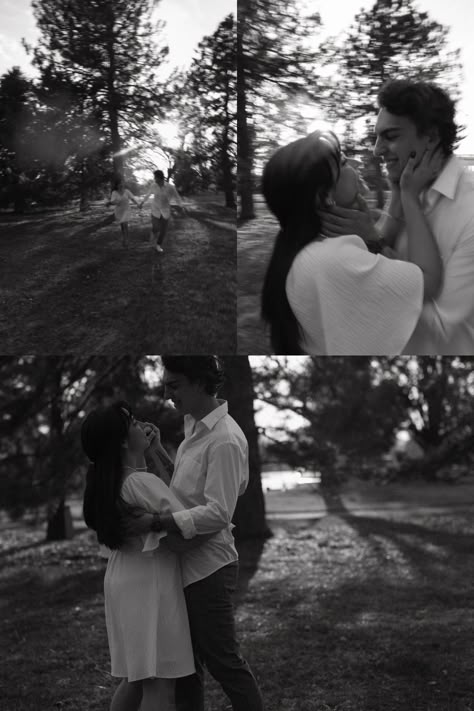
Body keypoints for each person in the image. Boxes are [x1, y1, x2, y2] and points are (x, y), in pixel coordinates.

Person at [122, 356, 265, 711]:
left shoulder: (225, 439)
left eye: (174, 385)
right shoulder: (194, 427)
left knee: (224, 663)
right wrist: (156, 452)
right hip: (182, 563)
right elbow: (182, 496)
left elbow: (217, 512)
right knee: (186, 669)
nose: (167, 393)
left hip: (209, 568)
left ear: (201, 382)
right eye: (165, 384)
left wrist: (155, 523)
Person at [319, 79, 474, 355]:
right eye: (377, 137)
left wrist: (370, 249)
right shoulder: (408, 184)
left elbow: (438, 325)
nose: (377, 150)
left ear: (432, 137)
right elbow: (383, 238)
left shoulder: (468, 211)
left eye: (390, 137)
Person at [261, 129, 443, 355]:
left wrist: (396, 191)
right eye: (343, 163)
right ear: (324, 196)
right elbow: (429, 283)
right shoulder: (333, 260)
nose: (355, 166)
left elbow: (375, 247)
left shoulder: (308, 248)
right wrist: (410, 197)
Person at [81, 401, 196, 711]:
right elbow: (188, 526)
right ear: (121, 440)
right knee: (160, 684)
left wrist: (154, 452)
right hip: (150, 585)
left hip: (123, 580)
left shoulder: (112, 484)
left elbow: (168, 502)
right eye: (132, 422)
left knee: (137, 678)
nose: (141, 424)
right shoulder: (140, 482)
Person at [140, 170, 186, 254]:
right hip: (155, 210)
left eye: (155, 177)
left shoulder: (170, 187)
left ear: (159, 177)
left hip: (165, 211)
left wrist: (181, 207)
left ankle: (158, 245)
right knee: (156, 228)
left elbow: (177, 197)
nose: (154, 179)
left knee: (163, 230)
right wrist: (142, 202)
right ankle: (152, 238)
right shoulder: (153, 185)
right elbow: (148, 194)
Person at [106, 178, 141, 247]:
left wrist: (137, 204)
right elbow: (113, 201)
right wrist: (109, 203)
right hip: (119, 211)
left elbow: (132, 199)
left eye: (122, 183)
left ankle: (126, 240)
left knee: (125, 224)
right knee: (123, 225)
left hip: (127, 210)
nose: (121, 185)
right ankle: (125, 237)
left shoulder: (127, 191)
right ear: (117, 185)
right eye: (119, 183)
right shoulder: (114, 192)